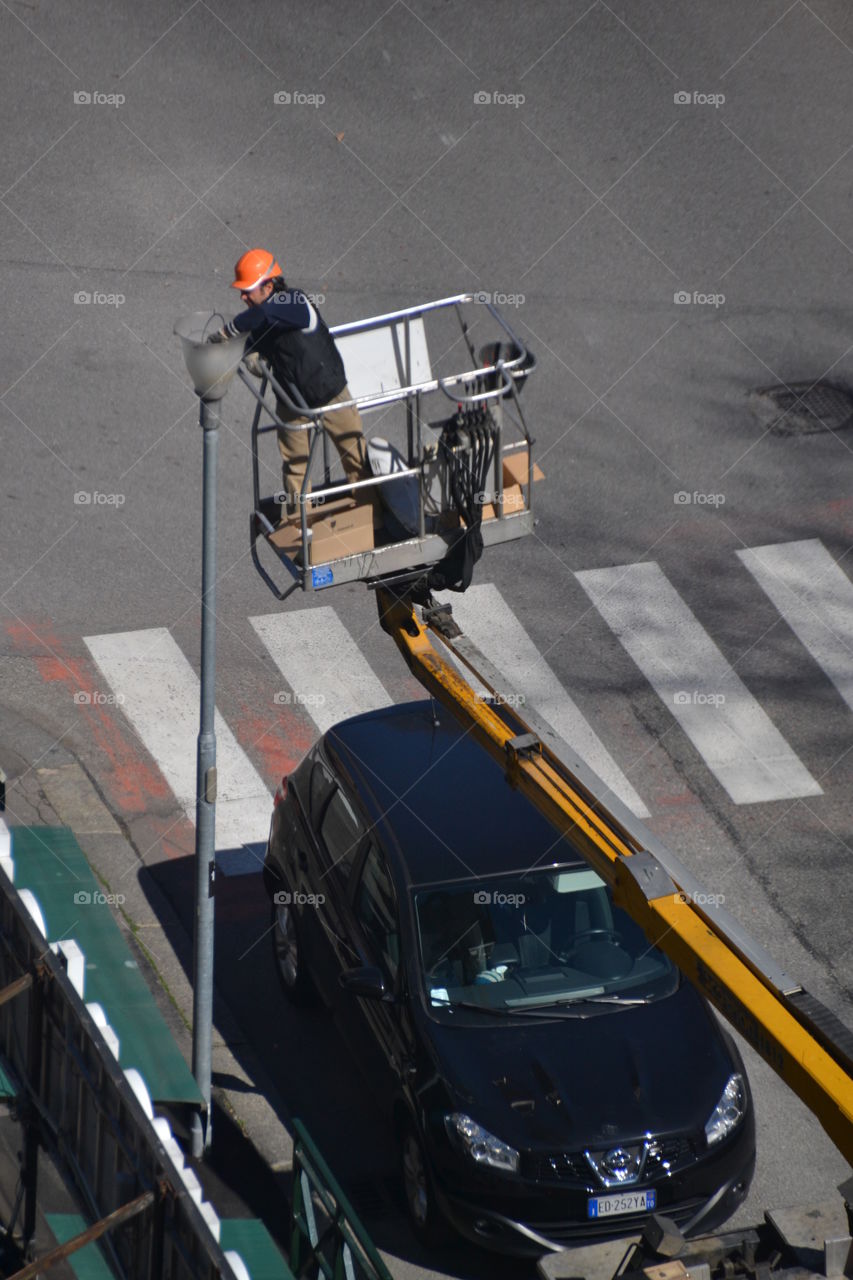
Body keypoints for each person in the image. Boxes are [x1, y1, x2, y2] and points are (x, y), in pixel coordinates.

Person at [208, 248, 368, 515]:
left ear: (269, 286)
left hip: (329, 393)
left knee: (355, 456)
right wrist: (250, 355)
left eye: (248, 290)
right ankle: (299, 525)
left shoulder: (293, 302)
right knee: (296, 468)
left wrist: (228, 332)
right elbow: (254, 341)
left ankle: (369, 514)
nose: (242, 296)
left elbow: (260, 317)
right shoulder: (263, 315)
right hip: (291, 402)